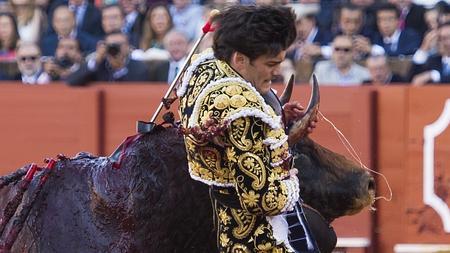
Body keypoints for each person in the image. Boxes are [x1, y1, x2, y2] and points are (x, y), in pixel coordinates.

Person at [178, 5, 317, 252]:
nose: (277, 72)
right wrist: (291, 184)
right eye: (271, 63)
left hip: (224, 218)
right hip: (257, 237)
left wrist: (273, 119)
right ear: (240, 59)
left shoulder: (206, 66)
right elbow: (263, 199)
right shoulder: (244, 112)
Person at [66, 31, 150, 85]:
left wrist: (121, 69)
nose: (115, 49)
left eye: (119, 45)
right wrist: (95, 61)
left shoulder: (139, 68)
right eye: (111, 45)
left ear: (128, 46)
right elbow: (71, 81)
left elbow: (137, 92)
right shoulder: (98, 66)